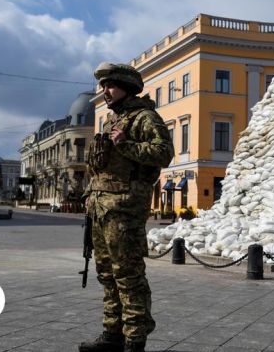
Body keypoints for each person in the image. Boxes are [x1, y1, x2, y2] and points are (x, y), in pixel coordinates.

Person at [79, 62, 174, 352]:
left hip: (124, 211)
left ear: (127, 87)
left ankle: (135, 339)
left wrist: (126, 144)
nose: (105, 92)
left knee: (128, 275)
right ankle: (113, 335)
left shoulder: (144, 117)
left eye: (110, 86)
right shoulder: (111, 120)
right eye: (103, 86)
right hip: (101, 210)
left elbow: (164, 153)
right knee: (106, 274)